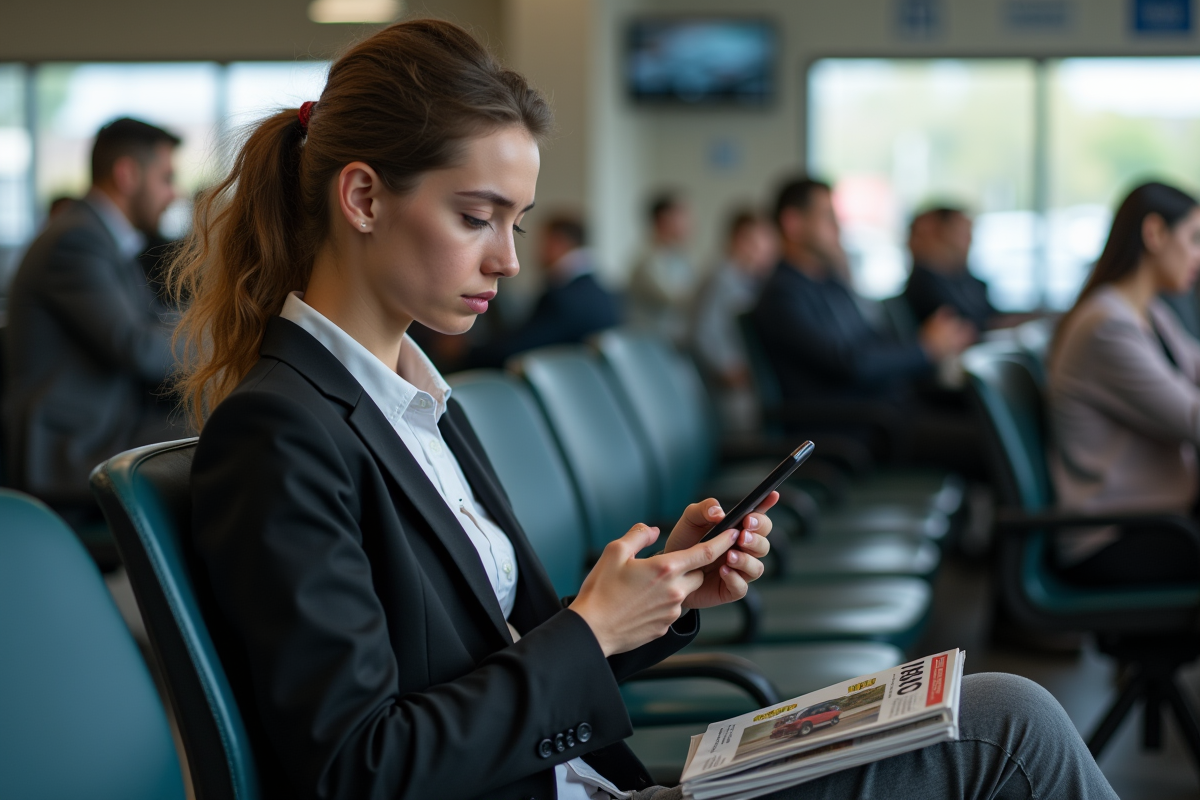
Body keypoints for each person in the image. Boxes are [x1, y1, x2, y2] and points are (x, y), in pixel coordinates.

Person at [170, 20, 1116, 800]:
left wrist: (657, 601)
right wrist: (592, 630)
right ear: (365, 197)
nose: (507, 258)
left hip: (587, 781)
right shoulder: (281, 432)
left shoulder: (418, 404)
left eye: (518, 224)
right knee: (1010, 731)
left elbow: (501, 660)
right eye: (476, 216)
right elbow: (355, 771)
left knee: (999, 717)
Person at [3, 117, 182, 525]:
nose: (174, 193)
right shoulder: (77, 240)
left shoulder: (101, 237)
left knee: (219, 422)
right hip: (72, 447)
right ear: (127, 174)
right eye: (166, 178)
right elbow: (137, 347)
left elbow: (153, 321)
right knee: (222, 431)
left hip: (107, 425)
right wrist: (226, 339)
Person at [750, 177, 980, 471]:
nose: (838, 229)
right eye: (828, 218)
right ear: (793, 224)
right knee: (988, 442)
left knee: (982, 418)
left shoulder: (827, 283)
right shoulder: (782, 296)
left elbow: (873, 340)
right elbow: (851, 364)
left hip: (883, 415)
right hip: (853, 432)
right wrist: (924, 349)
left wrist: (925, 345)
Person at [1047, 182, 1200, 585]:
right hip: (1116, 535)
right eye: (1194, 239)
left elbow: (1194, 365)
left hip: (1157, 519)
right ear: (1154, 234)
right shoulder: (1108, 325)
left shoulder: (1147, 311)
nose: (1199, 256)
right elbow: (1191, 417)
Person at [465, 213, 620, 368]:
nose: (537, 251)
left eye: (542, 242)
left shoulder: (562, 298)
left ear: (558, 242)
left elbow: (517, 348)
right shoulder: (606, 293)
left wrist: (467, 352)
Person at [690, 208, 778, 430]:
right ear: (741, 240)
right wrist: (727, 368)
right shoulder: (722, 278)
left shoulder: (746, 278)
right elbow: (703, 332)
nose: (766, 250)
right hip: (727, 384)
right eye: (760, 242)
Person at [903, 206, 995, 333]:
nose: (970, 240)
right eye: (963, 233)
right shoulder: (924, 286)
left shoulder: (964, 280)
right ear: (940, 235)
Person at [627, 192, 698, 344]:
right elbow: (679, 301)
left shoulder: (680, 258)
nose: (690, 223)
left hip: (673, 346)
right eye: (683, 216)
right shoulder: (647, 263)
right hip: (651, 348)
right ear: (664, 220)